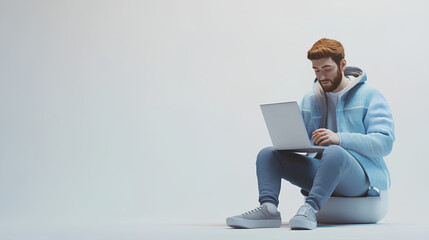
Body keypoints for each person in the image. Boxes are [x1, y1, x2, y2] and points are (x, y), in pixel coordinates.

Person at [226, 38, 395, 230]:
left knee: (334, 151)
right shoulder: (310, 99)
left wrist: (339, 139)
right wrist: (289, 141)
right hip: (323, 170)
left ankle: (310, 208)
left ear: (342, 65)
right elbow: (304, 142)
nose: (321, 76)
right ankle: (269, 209)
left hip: (359, 178)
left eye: (327, 69)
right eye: (316, 70)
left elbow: (385, 142)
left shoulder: (370, 95)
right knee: (268, 154)